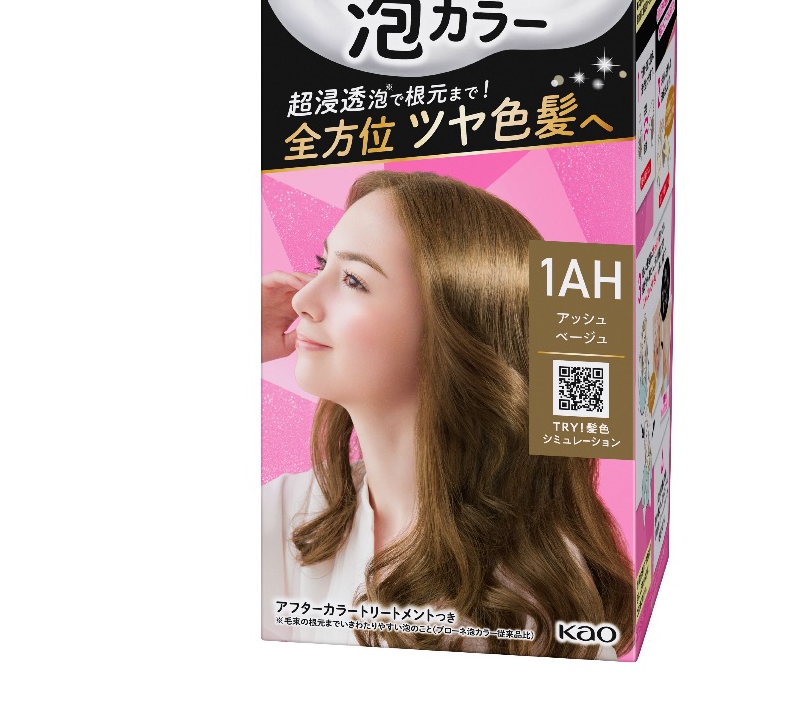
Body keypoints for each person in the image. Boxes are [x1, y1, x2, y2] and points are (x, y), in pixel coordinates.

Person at [261, 170, 634, 658]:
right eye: (320, 264)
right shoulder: (295, 513)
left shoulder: (530, 603)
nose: (301, 300)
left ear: (454, 330)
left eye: (353, 279)